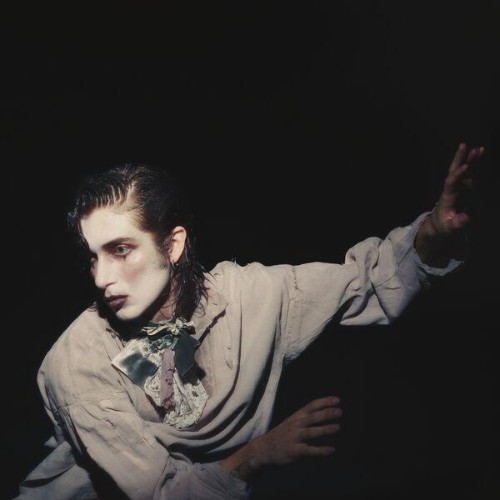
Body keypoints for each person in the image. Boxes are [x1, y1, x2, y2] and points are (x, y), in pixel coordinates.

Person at [15, 142, 484, 499]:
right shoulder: (78, 360)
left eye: (120, 250)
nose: (102, 277)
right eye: (92, 258)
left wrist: (433, 232)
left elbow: (363, 281)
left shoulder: (248, 298)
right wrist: (258, 454)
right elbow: (160, 494)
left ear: (172, 245)